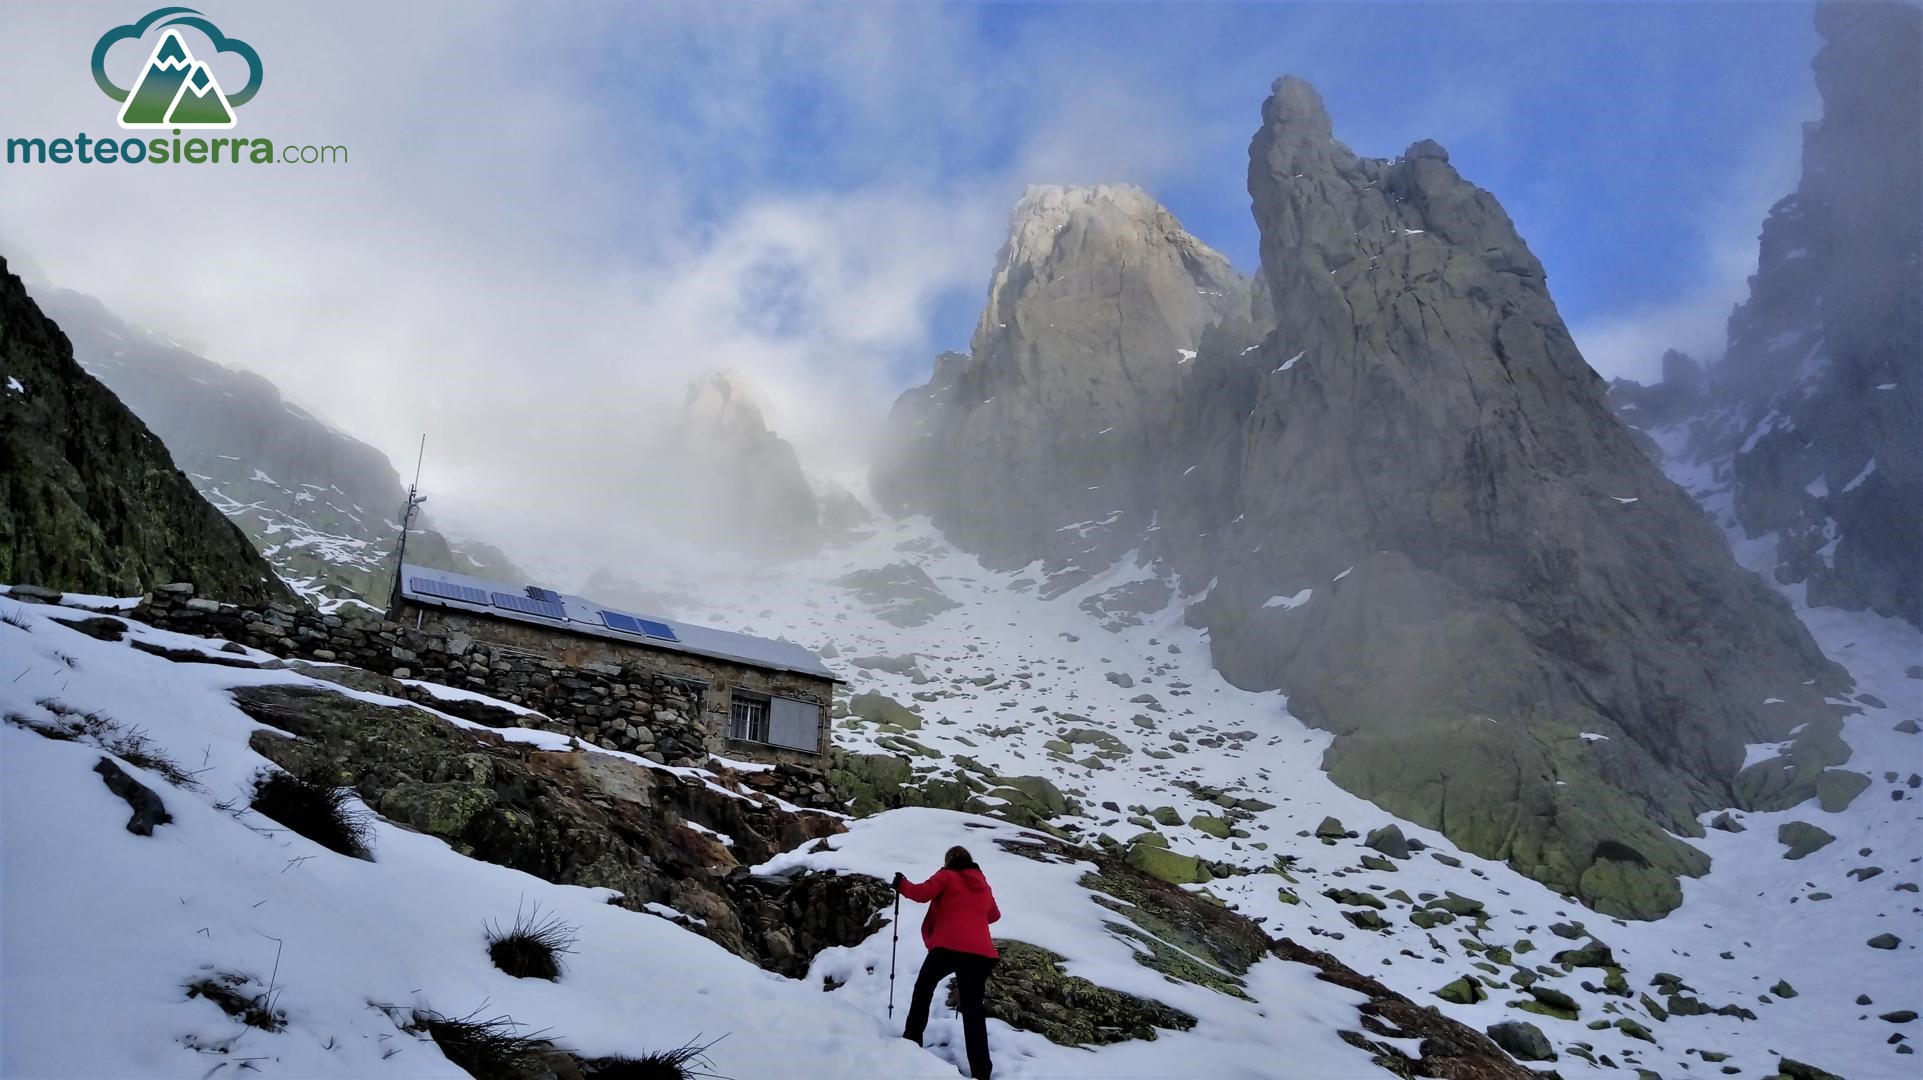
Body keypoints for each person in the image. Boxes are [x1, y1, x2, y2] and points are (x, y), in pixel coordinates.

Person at [893, 845, 1001, 1079]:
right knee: (973, 1011)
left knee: (924, 988)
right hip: (980, 954)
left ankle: (912, 1039)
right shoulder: (982, 882)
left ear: (949, 860)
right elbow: (994, 914)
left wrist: (901, 883)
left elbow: (921, 893)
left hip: (949, 946)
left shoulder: (946, 876)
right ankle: (982, 1072)